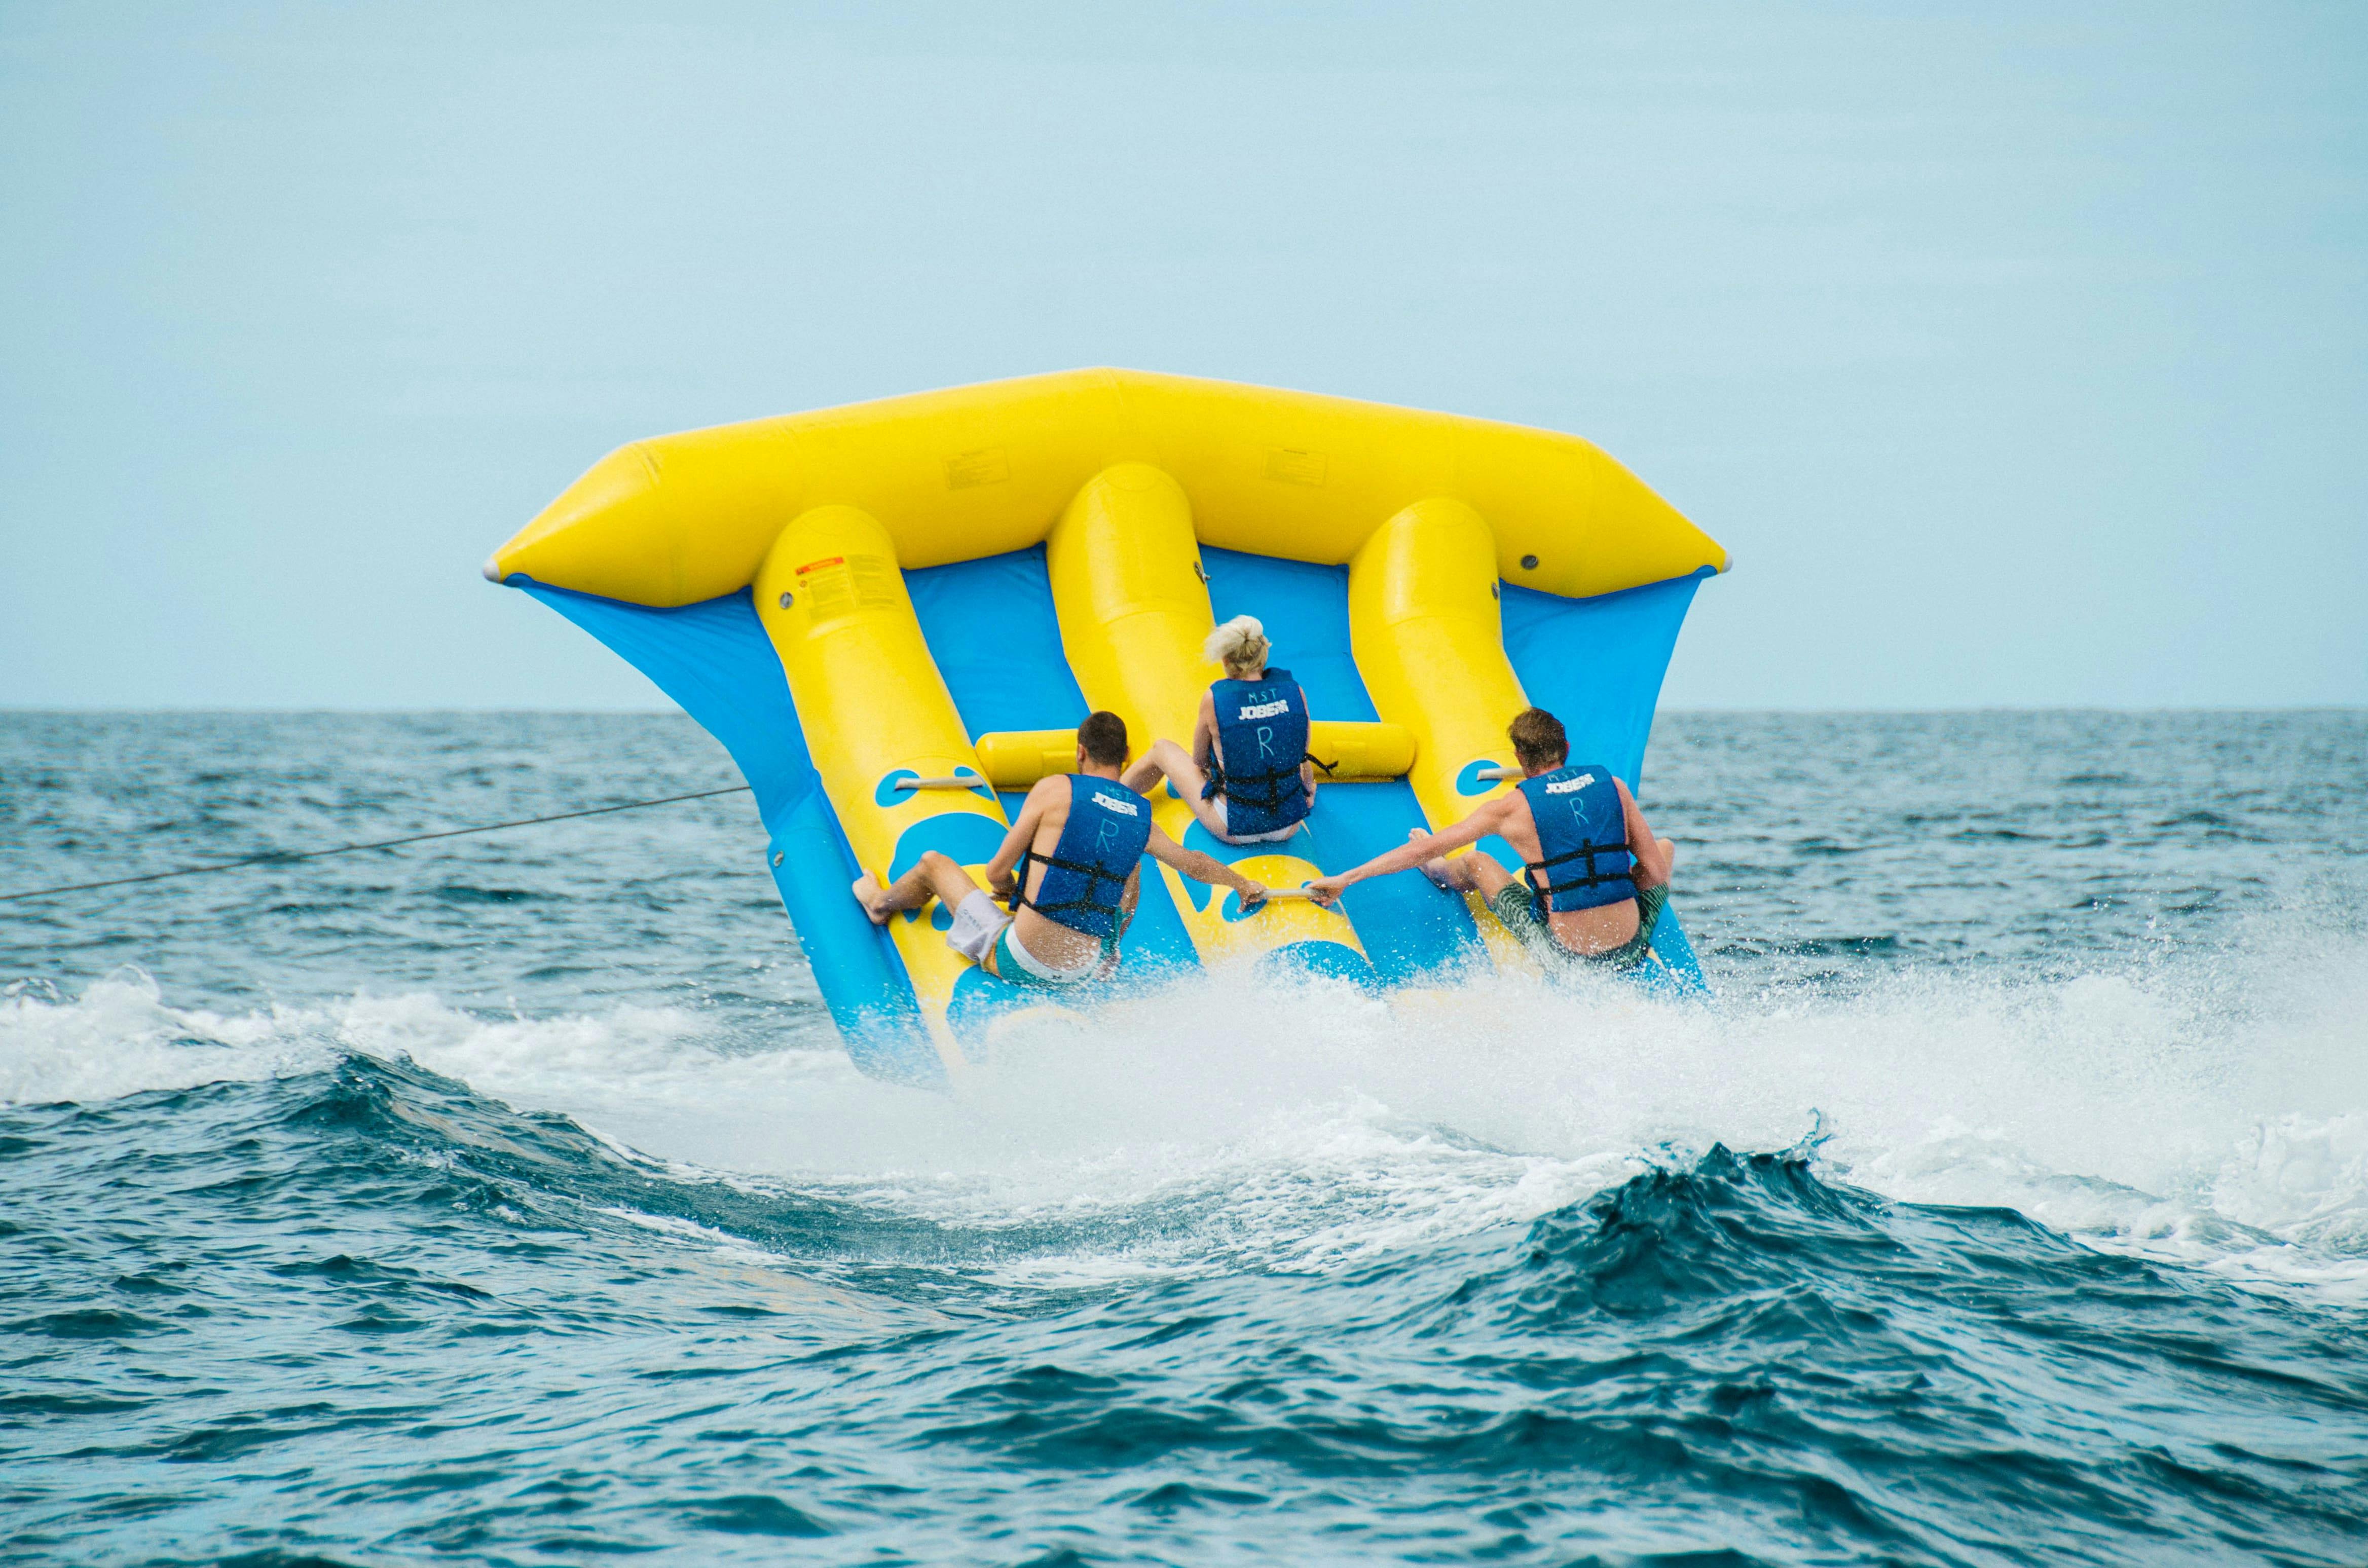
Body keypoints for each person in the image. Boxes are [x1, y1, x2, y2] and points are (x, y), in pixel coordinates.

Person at [854, 710, 1268, 989]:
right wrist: (1241, 882)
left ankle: (879, 903)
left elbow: (998, 870)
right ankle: (1111, 952)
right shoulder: (1142, 817)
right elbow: (1192, 862)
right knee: (1130, 864)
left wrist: (1011, 889)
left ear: (1081, 753)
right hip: (1088, 966)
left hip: (1025, 959)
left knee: (932, 864)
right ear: (1125, 756)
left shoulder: (1055, 790)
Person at [1306, 707, 1677, 973]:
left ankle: (1438, 873)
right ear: (1565, 749)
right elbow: (1657, 872)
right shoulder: (1614, 787)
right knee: (1665, 848)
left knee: (1475, 862)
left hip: (1568, 957)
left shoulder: (1509, 810)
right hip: (1631, 947)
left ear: (1518, 756)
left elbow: (1421, 846)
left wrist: (1346, 879)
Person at [1122, 615, 1319, 845]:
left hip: (1232, 826)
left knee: (1162, 749)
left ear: (1225, 660)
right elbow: (1301, 753)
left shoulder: (1214, 700)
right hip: (1287, 825)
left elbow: (1200, 761)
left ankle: (1111, 797)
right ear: (1264, 652)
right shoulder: (1295, 691)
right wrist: (1309, 789)